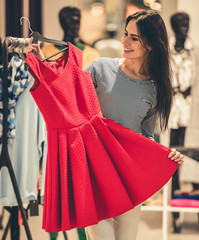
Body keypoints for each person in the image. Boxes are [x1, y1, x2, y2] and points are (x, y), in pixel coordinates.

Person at [26, 10, 184, 240]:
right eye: (125, 34)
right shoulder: (102, 68)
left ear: (151, 43)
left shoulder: (157, 89)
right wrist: (43, 64)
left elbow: (145, 135)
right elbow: (69, 92)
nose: (124, 41)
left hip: (128, 176)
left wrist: (163, 154)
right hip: (93, 172)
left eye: (134, 37)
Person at [168, 12, 199, 233]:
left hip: (192, 113)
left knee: (195, 163)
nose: (183, 29)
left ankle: (195, 212)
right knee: (172, 162)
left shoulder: (195, 51)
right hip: (172, 114)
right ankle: (175, 214)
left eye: (186, 25)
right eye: (179, 25)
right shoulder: (164, 50)